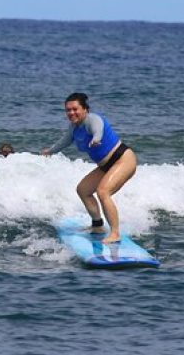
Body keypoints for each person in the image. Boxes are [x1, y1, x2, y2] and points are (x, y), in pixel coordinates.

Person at [41, 92, 136, 244]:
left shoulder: (92, 119)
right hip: (106, 166)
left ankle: (115, 233)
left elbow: (98, 130)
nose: (71, 113)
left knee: (103, 192)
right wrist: (50, 151)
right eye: (68, 110)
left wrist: (96, 139)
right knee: (83, 190)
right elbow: (64, 142)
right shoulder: (74, 128)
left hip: (123, 159)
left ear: (85, 109)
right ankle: (97, 226)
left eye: (75, 109)